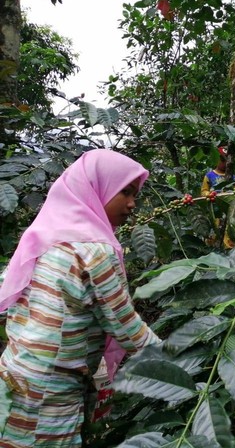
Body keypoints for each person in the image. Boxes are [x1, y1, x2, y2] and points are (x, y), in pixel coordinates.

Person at [0, 149, 160, 447]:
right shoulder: (96, 251)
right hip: (50, 392)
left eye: (135, 194)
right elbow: (127, 329)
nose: (132, 204)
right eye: (124, 191)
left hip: (13, 372)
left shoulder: (45, 234)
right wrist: (182, 361)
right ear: (96, 188)